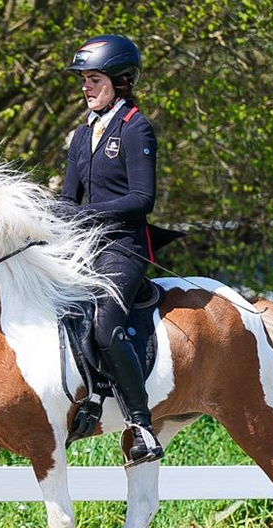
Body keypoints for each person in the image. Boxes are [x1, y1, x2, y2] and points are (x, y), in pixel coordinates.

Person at [60, 34, 179, 466]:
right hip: (83, 250)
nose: (86, 87)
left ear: (120, 82)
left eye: (94, 79)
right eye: (84, 80)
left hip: (124, 249)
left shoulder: (135, 127)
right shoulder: (80, 135)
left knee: (107, 323)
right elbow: (68, 200)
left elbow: (141, 199)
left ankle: (142, 425)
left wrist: (89, 216)